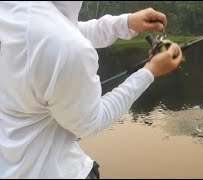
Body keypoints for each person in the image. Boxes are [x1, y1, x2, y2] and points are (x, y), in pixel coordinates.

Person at [0, 1, 182, 179]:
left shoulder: (13, 9)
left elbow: (61, 29)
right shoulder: (66, 47)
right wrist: (149, 72)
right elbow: (91, 123)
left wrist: (124, 23)